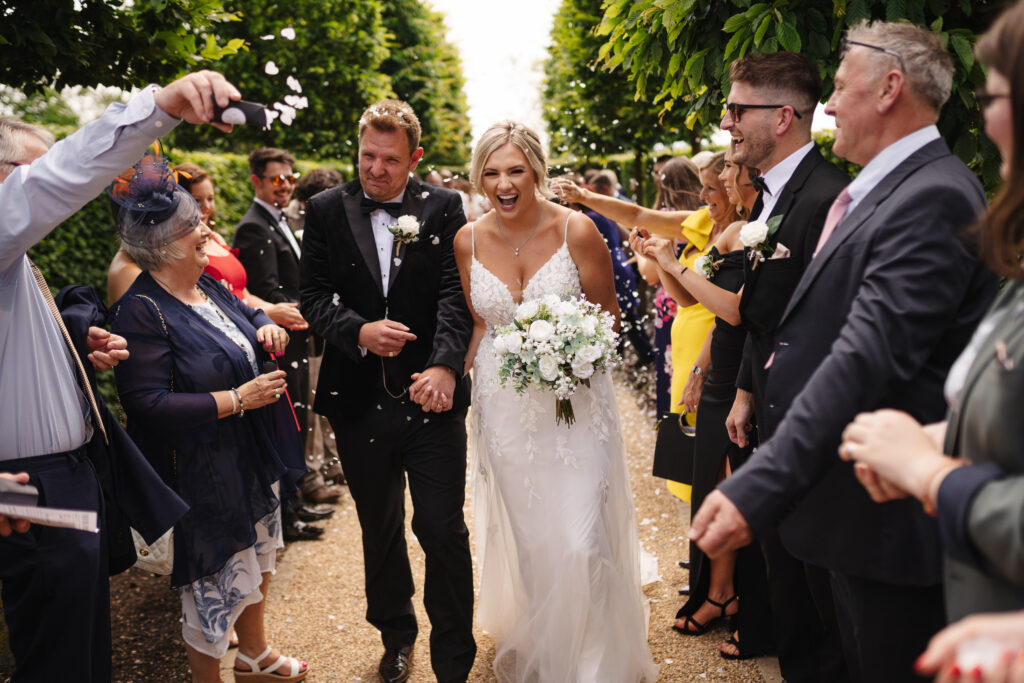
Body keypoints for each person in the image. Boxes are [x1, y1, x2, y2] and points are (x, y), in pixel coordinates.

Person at [691, 22, 999, 682]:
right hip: (844, 501)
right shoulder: (882, 188)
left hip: (886, 518)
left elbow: (868, 354)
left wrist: (763, 480)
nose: (825, 106)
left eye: (836, 87)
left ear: (890, 87)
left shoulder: (932, 194)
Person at [0, 70, 234, 683]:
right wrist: (158, 107)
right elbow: (61, 177)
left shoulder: (14, 257)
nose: (49, 199)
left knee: (82, 650)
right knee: (57, 661)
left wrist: (77, 338)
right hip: (29, 487)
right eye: (30, 179)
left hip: (66, 477)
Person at [836, 3, 1024, 678]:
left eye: (994, 95)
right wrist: (943, 436)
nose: (985, 117)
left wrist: (930, 471)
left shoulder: (940, 194)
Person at [455, 119, 657, 682]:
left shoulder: (579, 231)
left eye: (515, 170)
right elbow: (478, 324)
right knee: (536, 540)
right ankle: (551, 644)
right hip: (504, 409)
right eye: (491, 172)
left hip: (577, 403)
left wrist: (573, 352)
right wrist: (449, 372)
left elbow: (610, 321)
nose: (503, 183)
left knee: (579, 538)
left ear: (537, 171)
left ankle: (594, 663)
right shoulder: (466, 240)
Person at [110, 152, 308, 682]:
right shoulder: (140, 309)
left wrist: (268, 327)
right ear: (164, 244)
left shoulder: (209, 285)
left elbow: (249, 314)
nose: (205, 226)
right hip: (201, 471)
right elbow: (145, 405)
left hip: (246, 455)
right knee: (213, 582)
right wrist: (238, 399)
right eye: (192, 224)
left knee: (257, 557)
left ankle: (255, 656)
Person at [300, 99, 475, 683]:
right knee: (379, 526)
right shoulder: (325, 208)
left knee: (442, 527)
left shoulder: (445, 206)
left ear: (415, 158)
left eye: (390, 160)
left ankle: (455, 656)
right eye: (367, 156)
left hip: (432, 398)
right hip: (356, 402)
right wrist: (359, 332)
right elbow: (313, 298)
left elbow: (457, 293)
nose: (375, 169)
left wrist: (448, 366)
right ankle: (396, 638)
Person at [636, 144, 773, 661]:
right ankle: (720, 593)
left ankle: (729, 596)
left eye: (718, 183)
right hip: (717, 374)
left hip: (742, 373)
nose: (709, 194)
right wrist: (662, 262)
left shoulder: (747, 230)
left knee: (729, 489)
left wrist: (671, 262)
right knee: (714, 488)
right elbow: (695, 300)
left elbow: (735, 313)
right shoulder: (726, 233)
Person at [235, 148, 342, 510]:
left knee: (304, 408)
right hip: (281, 334)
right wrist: (309, 308)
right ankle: (295, 498)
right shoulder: (253, 225)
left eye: (290, 179)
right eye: (276, 179)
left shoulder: (277, 219)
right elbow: (267, 289)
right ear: (256, 181)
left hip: (300, 330)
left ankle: (298, 497)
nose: (285, 186)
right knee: (291, 414)